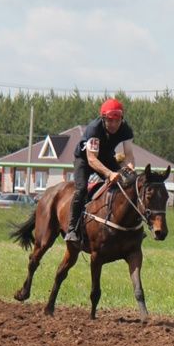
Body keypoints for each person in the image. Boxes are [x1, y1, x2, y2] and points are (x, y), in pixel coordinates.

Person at [64, 98, 135, 245]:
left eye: (117, 120)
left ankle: (129, 227)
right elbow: (91, 159)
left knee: (127, 183)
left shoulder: (126, 129)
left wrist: (130, 170)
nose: (114, 124)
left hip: (105, 157)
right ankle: (72, 230)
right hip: (84, 159)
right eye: (109, 120)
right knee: (81, 189)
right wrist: (109, 174)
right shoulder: (94, 129)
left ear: (122, 119)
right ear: (103, 119)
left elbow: (129, 155)